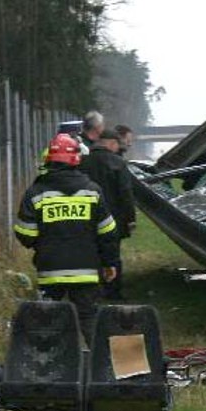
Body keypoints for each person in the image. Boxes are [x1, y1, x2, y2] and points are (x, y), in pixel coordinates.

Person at [14, 133, 118, 341]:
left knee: (50, 320)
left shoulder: (36, 193)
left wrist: (44, 244)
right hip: (87, 271)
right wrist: (109, 263)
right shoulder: (92, 191)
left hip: (50, 270)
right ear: (76, 160)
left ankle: (52, 365)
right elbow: (108, 232)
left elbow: (25, 234)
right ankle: (100, 364)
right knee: (89, 318)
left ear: (49, 159)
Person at [80, 128, 136, 301]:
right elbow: (125, 193)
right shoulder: (118, 163)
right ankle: (113, 292)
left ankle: (90, 290)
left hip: (86, 216)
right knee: (112, 255)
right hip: (113, 218)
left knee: (90, 253)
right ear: (112, 143)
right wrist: (130, 218)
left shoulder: (82, 162)